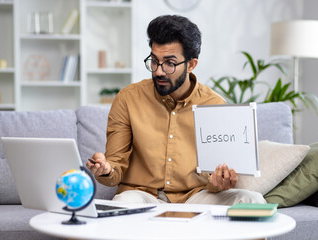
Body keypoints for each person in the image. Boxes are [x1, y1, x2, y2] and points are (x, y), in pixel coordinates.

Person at [86, 15, 265, 205]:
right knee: (123, 201)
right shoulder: (128, 99)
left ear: (191, 64)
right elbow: (115, 166)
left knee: (252, 200)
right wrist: (106, 169)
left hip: (195, 196)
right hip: (143, 195)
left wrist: (219, 182)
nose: (159, 71)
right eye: (154, 61)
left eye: (170, 63)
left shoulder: (214, 104)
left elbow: (216, 174)